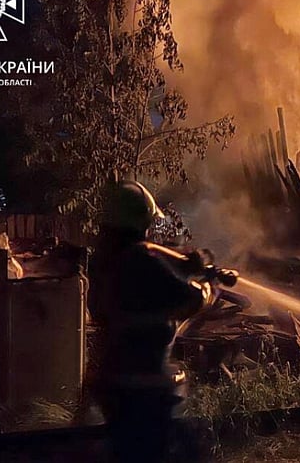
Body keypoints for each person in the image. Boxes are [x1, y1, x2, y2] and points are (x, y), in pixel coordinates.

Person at [88, 180, 209, 463]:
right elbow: (189, 299)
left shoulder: (104, 258)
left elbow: (151, 268)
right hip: (145, 386)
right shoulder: (141, 260)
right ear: (141, 220)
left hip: (114, 381)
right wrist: (207, 288)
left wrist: (184, 265)